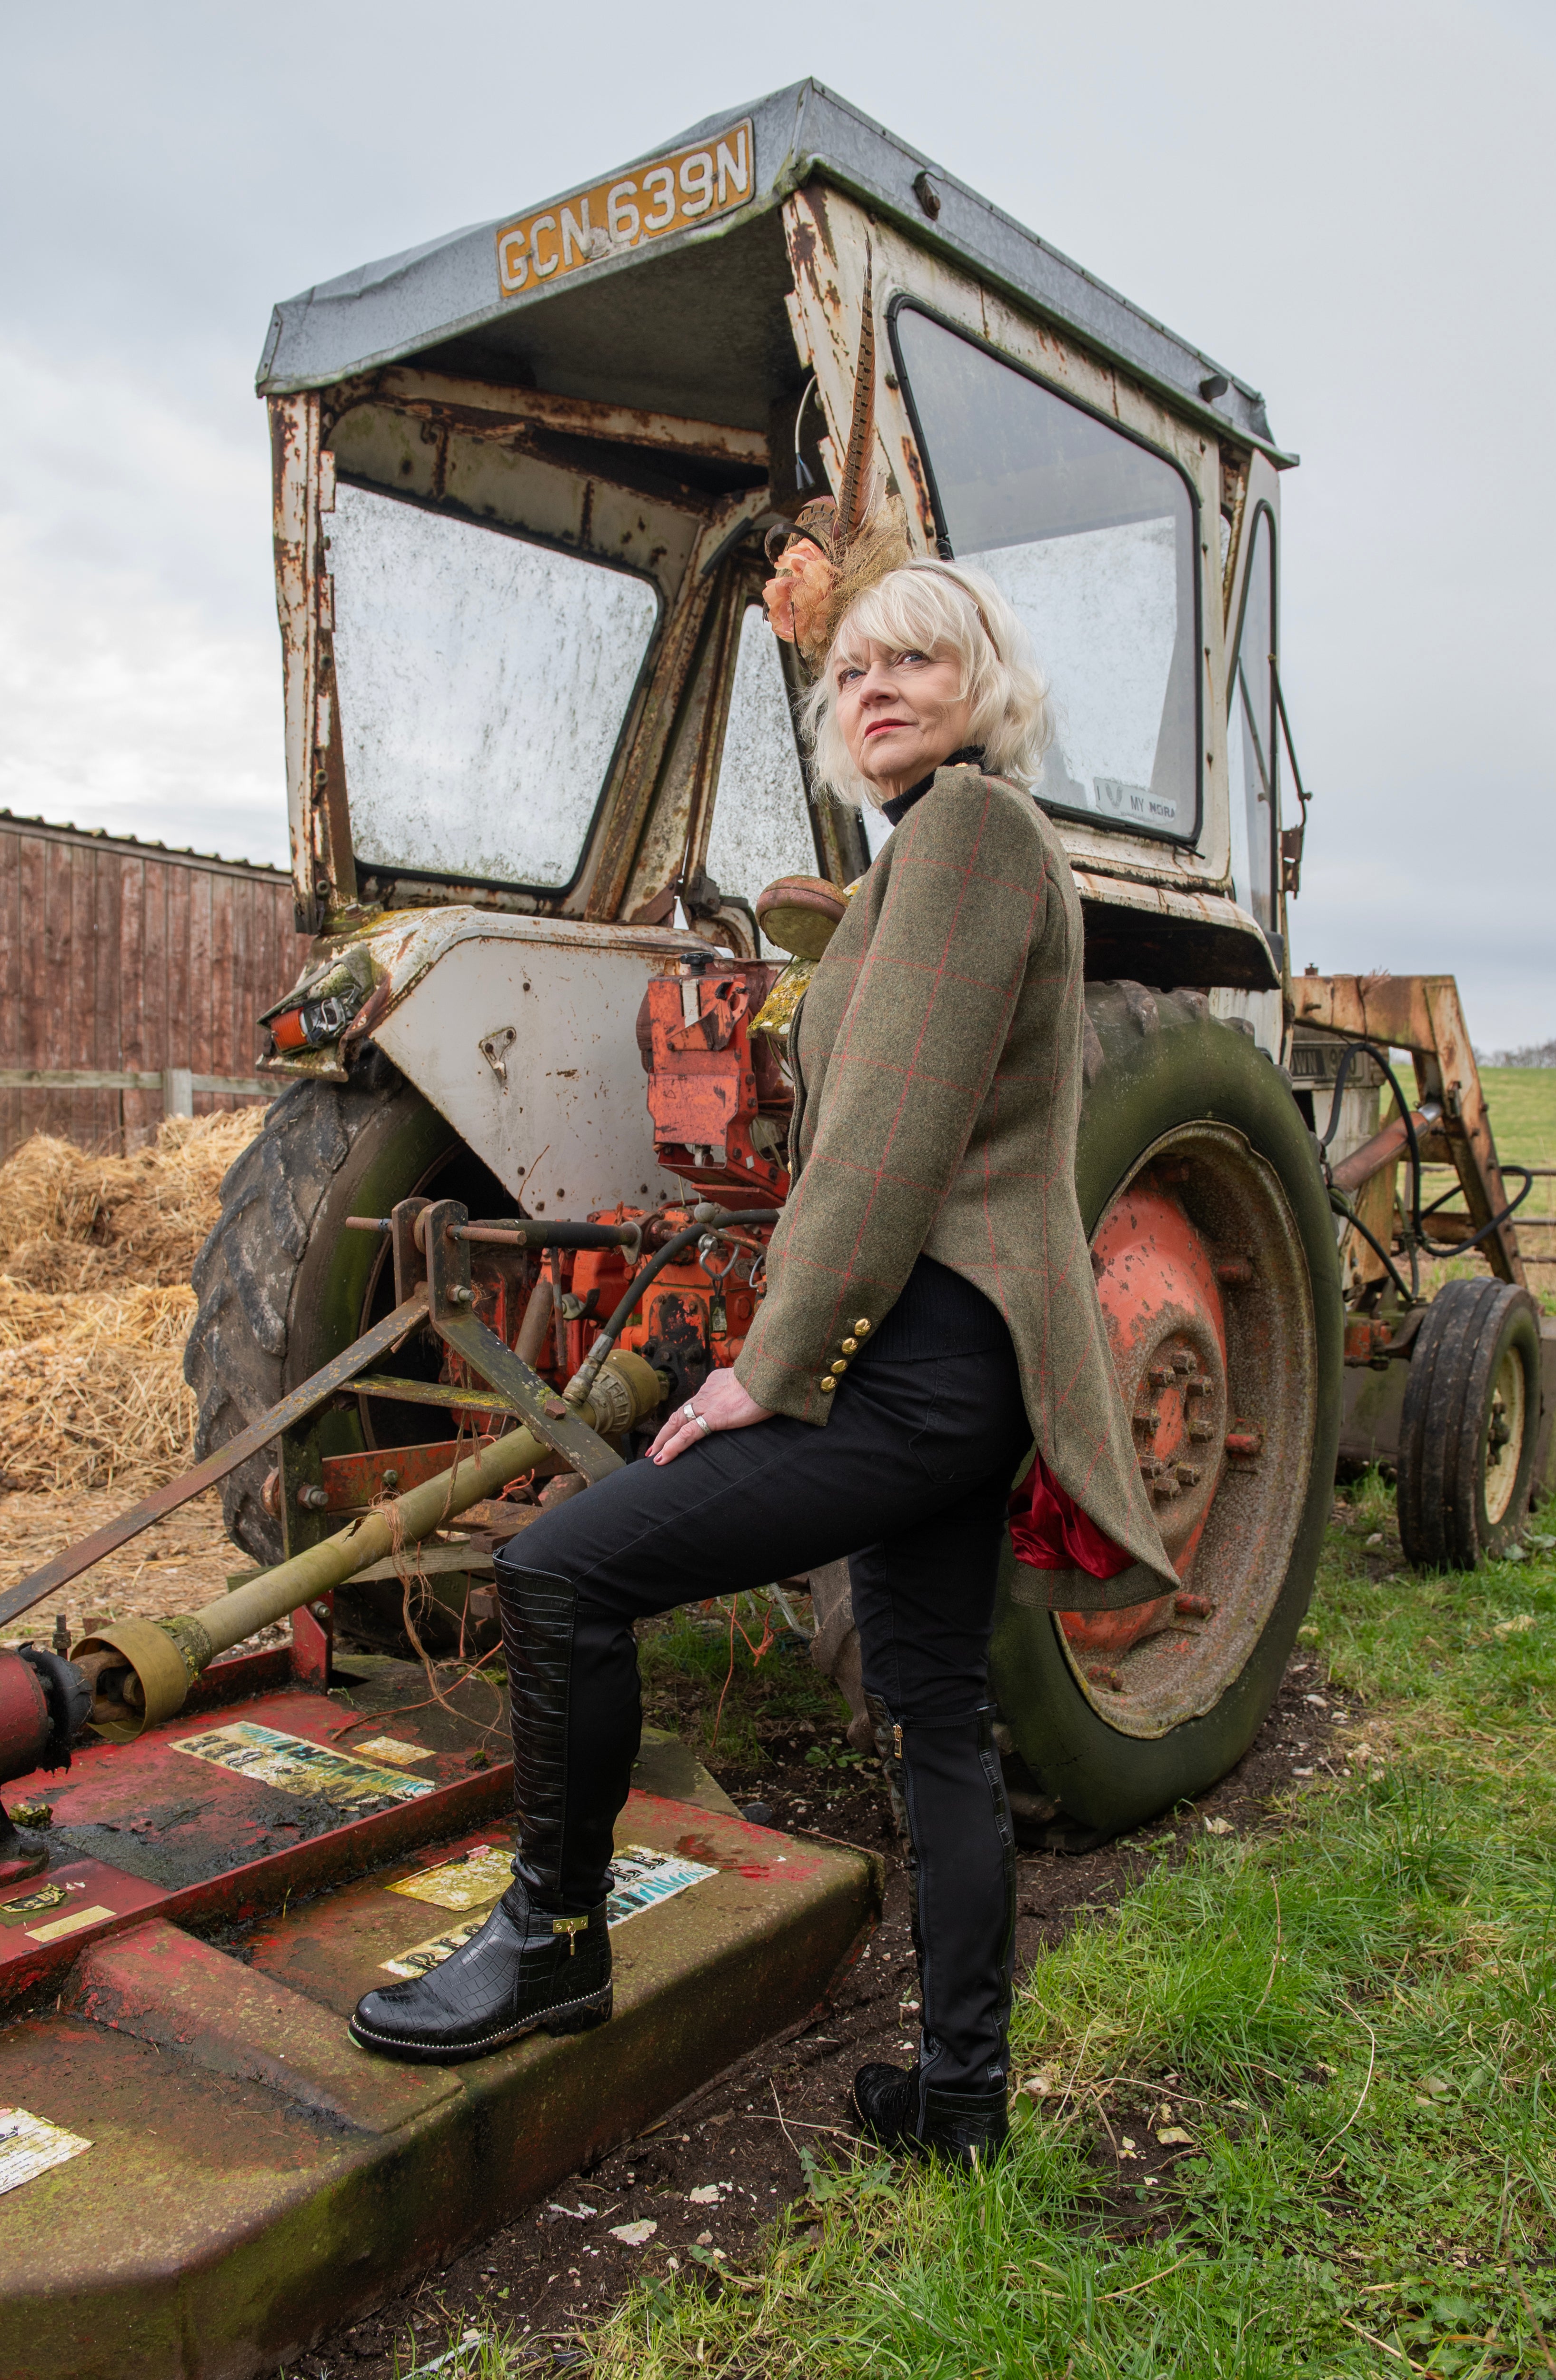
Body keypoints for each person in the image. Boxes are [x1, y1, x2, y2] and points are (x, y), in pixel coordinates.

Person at [349, 553, 1176, 2169]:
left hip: (921, 1359)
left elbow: (883, 1144)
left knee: (566, 1574)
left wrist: (772, 1366)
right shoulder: (942, 854)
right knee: (934, 1703)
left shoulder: (970, 834)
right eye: (851, 670)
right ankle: (960, 2099)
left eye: (915, 663)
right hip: (954, 1355)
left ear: (984, 688)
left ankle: (554, 1943)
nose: (874, 689)